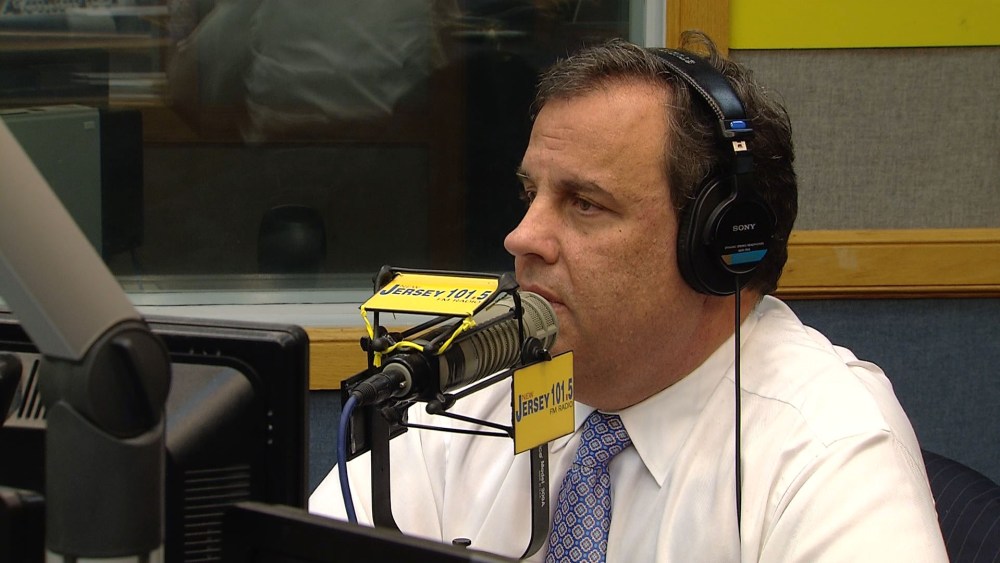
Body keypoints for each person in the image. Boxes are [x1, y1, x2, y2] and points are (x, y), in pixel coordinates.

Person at [310, 32, 949, 561]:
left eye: (585, 204)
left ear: (717, 244)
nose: (521, 237)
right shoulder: (486, 382)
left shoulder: (827, 450)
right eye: (531, 194)